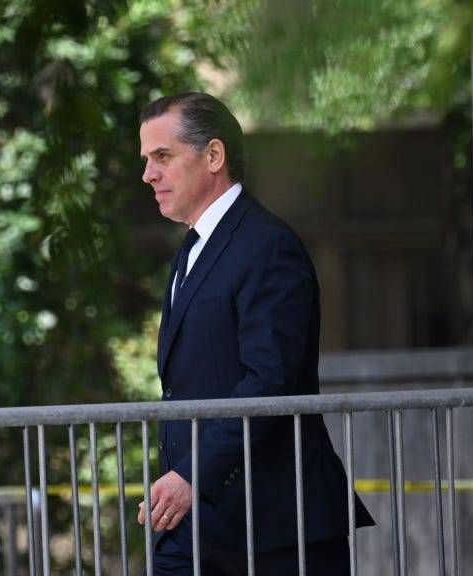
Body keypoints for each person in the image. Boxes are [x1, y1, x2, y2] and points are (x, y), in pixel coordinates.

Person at [135, 92, 374, 575]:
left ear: (213, 156)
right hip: (198, 526)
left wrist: (192, 476)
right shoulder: (192, 248)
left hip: (274, 527)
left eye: (162, 156)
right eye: (146, 160)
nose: (148, 175)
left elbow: (271, 380)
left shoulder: (268, 246)